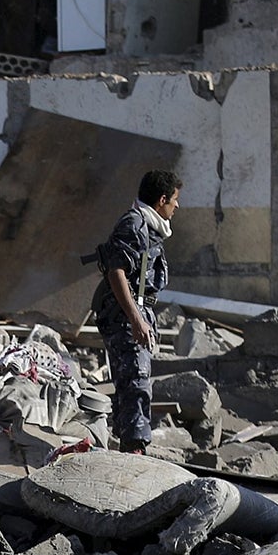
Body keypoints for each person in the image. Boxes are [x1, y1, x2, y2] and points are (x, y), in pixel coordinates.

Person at [87, 170, 179, 454]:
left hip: (136, 314)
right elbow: (117, 271)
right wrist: (136, 318)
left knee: (132, 382)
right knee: (136, 381)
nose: (177, 206)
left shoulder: (148, 227)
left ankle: (130, 446)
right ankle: (135, 450)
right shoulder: (135, 224)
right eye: (174, 200)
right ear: (162, 199)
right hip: (127, 317)